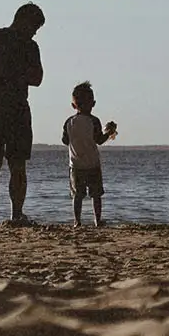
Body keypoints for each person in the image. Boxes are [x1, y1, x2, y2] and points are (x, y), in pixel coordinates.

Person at [0, 2, 45, 226]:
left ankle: (14, 213)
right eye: (34, 27)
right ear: (24, 21)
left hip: (14, 106)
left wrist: (18, 72)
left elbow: (37, 78)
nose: (35, 33)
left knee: (16, 164)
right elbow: (17, 72)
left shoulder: (28, 46)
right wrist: (22, 71)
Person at [60, 80, 117, 227]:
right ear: (93, 103)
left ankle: (77, 221)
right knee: (96, 195)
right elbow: (99, 140)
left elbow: (65, 141)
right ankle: (97, 220)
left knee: (77, 195)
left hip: (75, 165)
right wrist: (109, 132)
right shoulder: (94, 121)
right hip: (92, 164)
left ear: (73, 105)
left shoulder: (69, 122)